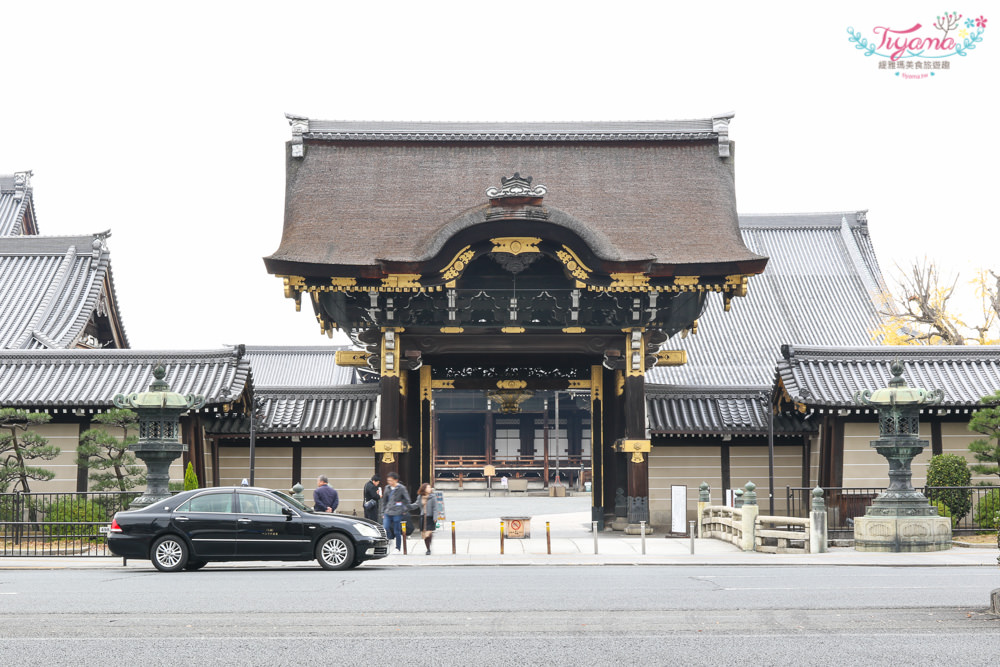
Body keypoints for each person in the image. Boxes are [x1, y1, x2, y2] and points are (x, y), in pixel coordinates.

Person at [381, 472, 411, 552]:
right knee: (385, 527)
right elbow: (384, 501)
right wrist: (383, 512)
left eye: (391, 480)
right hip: (388, 511)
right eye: (388, 480)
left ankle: (398, 547)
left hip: (397, 512)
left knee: (396, 530)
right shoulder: (387, 488)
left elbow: (407, 500)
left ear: (396, 480)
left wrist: (404, 510)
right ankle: (390, 541)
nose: (389, 482)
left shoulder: (401, 488)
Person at [411, 482, 438, 555]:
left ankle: (429, 545)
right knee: (424, 534)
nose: (430, 489)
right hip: (423, 517)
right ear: (424, 489)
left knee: (428, 533)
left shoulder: (433, 497)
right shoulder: (420, 497)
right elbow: (416, 504)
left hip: (430, 517)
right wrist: (408, 506)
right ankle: (428, 548)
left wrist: (435, 517)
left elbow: (435, 508)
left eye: (430, 487)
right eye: (428, 487)